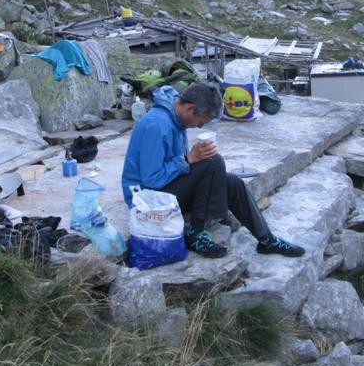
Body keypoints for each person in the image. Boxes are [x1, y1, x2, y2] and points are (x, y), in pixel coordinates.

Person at [121, 82, 305, 259]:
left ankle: (266, 239)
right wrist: (188, 159)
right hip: (146, 200)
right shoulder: (157, 125)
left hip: (165, 190)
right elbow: (151, 179)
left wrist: (191, 160)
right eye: (201, 121)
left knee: (232, 182)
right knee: (212, 162)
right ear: (190, 108)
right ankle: (195, 233)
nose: (200, 126)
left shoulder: (176, 118)